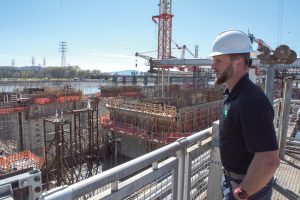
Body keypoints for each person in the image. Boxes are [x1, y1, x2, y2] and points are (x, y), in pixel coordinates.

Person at [210, 30, 280, 200]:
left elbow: (269, 160)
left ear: (239, 63)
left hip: (247, 187)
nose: (212, 66)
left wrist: (243, 192)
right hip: (233, 179)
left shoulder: (251, 101)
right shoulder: (234, 94)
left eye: (219, 61)